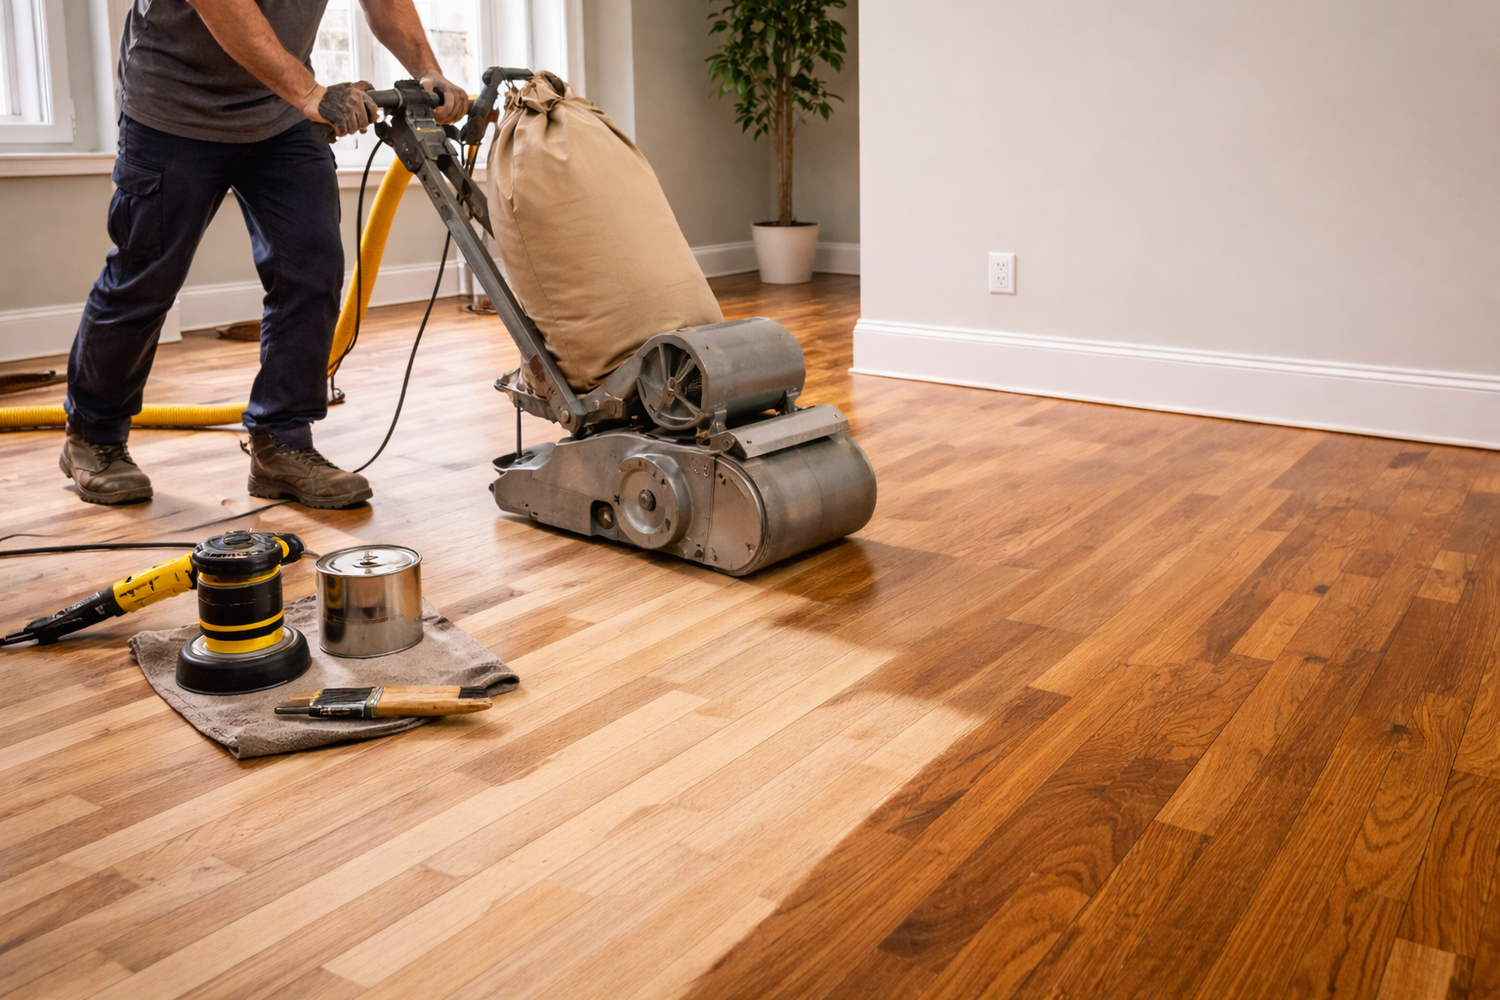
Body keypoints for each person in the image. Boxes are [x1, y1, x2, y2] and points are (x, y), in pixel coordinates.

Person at [59, 0, 469, 506]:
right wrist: (311, 94)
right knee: (146, 277)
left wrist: (428, 71)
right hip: (174, 110)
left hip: (280, 113)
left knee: (312, 268)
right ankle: (93, 436)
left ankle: (283, 443)